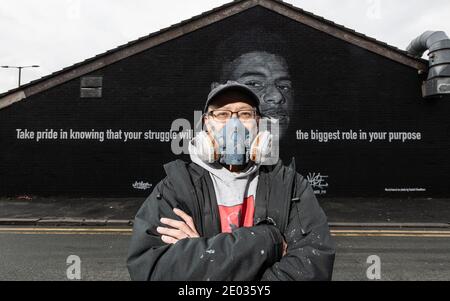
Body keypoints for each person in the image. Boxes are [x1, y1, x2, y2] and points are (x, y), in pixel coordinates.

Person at [127, 81, 335, 281]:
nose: (233, 125)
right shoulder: (177, 188)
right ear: (206, 123)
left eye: (245, 114)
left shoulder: (290, 186)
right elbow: (152, 269)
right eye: (222, 114)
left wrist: (200, 251)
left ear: (258, 123)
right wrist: (268, 240)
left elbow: (312, 267)